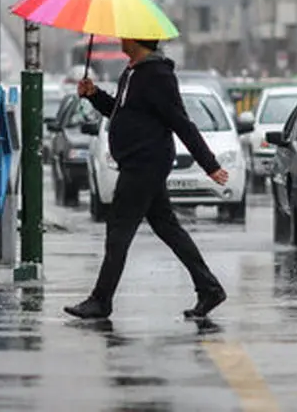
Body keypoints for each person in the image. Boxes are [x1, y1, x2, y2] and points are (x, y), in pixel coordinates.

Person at [64, 38, 229, 321]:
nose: (121, 40)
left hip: (145, 164)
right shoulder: (133, 72)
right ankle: (209, 288)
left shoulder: (158, 76)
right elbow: (122, 111)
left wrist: (209, 164)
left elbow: (180, 121)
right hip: (137, 162)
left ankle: (101, 300)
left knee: (118, 229)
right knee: (168, 227)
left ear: (138, 41)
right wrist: (94, 94)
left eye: (126, 35)